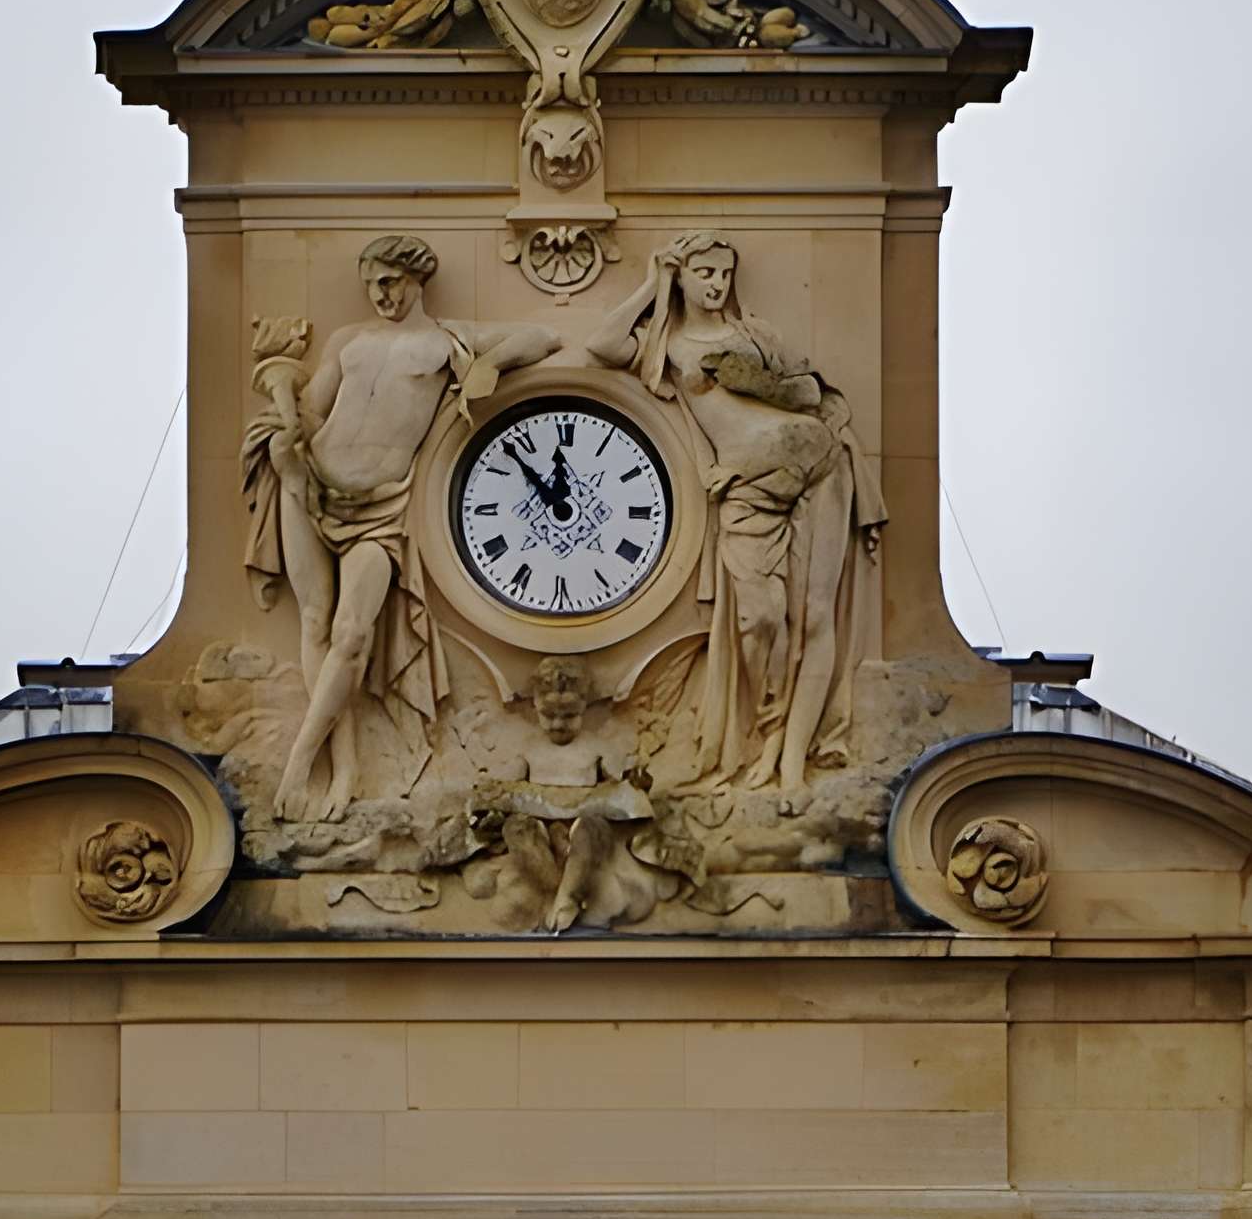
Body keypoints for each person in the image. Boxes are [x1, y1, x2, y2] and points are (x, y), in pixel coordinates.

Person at [248, 235, 558, 822]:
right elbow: (314, 411)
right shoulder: (349, 342)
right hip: (308, 481)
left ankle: (299, 764)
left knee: (352, 636)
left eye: (390, 282)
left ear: (417, 279)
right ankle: (339, 770)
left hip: (382, 508)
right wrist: (286, 413)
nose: (381, 295)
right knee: (314, 625)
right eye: (372, 285)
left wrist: (485, 364)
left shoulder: (444, 341)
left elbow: (545, 337)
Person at [583, 232, 883, 792]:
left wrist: (759, 382)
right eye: (704, 273)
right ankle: (764, 731)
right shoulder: (667, 344)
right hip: (748, 489)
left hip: (817, 463)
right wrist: (654, 282)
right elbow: (602, 345)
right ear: (684, 276)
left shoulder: (755, 335)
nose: (717, 284)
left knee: (815, 616)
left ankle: (790, 756)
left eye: (725, 273)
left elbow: (813, 395)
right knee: (760, 619)